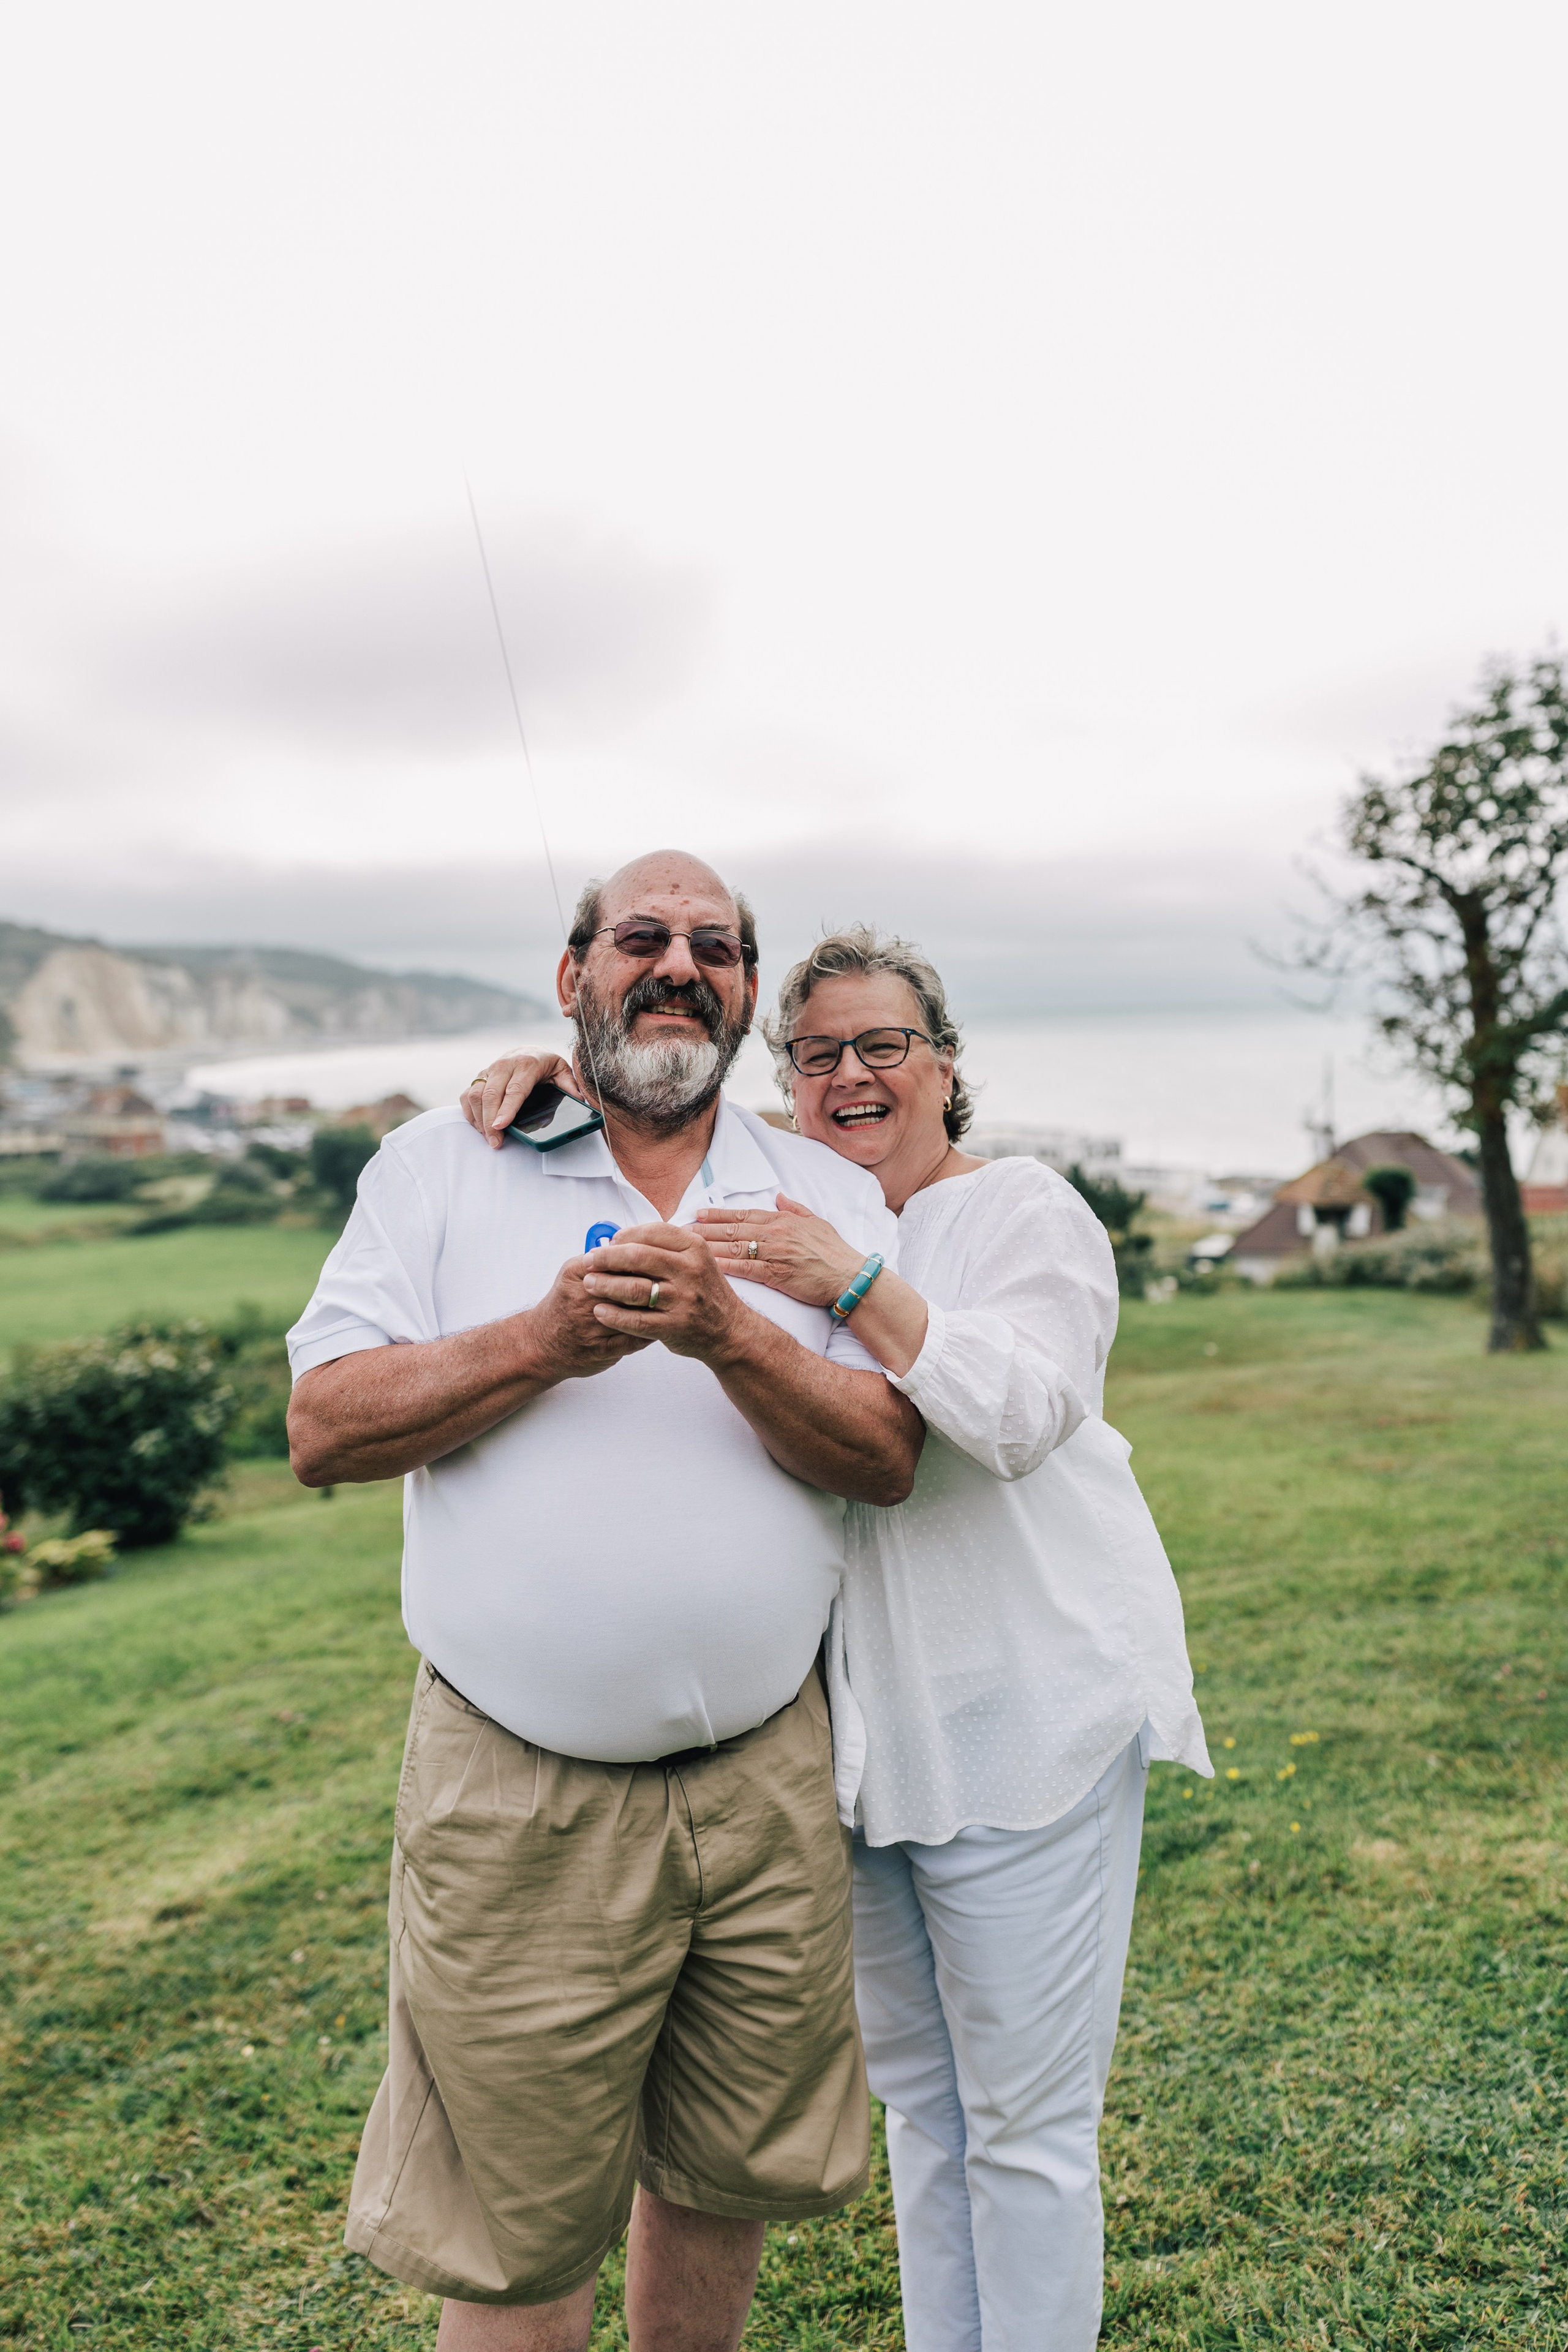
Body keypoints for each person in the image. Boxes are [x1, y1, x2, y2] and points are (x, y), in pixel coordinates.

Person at [466, 924, 1210, 2352]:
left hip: (1021, 1719)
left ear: (942, 1064)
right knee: (925, 2116)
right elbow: (643, 1109)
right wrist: (538, 1077)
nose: (851, 1076)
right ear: (785, 1085)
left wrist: (850, 1285)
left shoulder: (1019, 1213)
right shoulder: (777, 1198)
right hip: (856, 1750)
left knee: (1027, 2129)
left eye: (883, 1045)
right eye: (816, 1056)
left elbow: (1013, 1417)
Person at [288, 854, 922, 2352]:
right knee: (512, 2226)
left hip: (766, 1783)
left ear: (749, 992)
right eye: (641, 936)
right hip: (519, 1793)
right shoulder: (443, 1165)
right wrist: (543, 1342)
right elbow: (323, 1427)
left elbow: (886, 1457)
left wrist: (726, 1336)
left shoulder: (819, 1192)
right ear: (572, 972)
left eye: (717, 945)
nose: (679, 963)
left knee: (724, 2169)